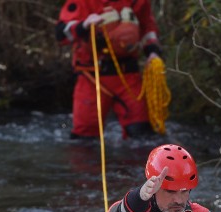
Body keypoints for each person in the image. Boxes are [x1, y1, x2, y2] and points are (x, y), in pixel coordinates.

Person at [55, 0, 162, 139]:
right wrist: (84, 25)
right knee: (84, 139)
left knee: (141, 133)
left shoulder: (138, 2)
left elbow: (147, 27)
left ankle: (138, 160)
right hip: (91, 77)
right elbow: (61, 34)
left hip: (128, 76)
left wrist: (153, 52)